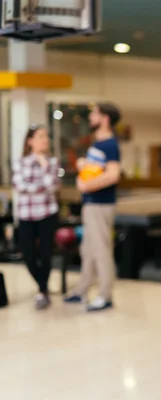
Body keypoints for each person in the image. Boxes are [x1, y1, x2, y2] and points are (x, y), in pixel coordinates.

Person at [64, 103, 122, 312]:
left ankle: (105, 295)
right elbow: (95, 171)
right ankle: (82, 289)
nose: (91, 118)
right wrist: (83, 166)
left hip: (100, 205)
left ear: (105, 118)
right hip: (91, 204)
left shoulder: (109, 144)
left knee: (101, 250)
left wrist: (86, 185)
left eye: (95, 114)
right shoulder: (98, 144)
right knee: (88, 250)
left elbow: (113, 174)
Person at [12, 125, 60, 310]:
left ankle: (42, 291)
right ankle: (43, 285)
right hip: (26, 214)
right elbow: (19, 185)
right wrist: (40, 187)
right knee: (28, 253)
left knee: (46, 254)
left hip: (48, 213)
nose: (45, 140)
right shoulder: (20, 162)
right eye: (40, 136)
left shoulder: (52, 162)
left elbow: (52, 186)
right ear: (30, 140)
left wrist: (45, 168)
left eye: (46, 136)